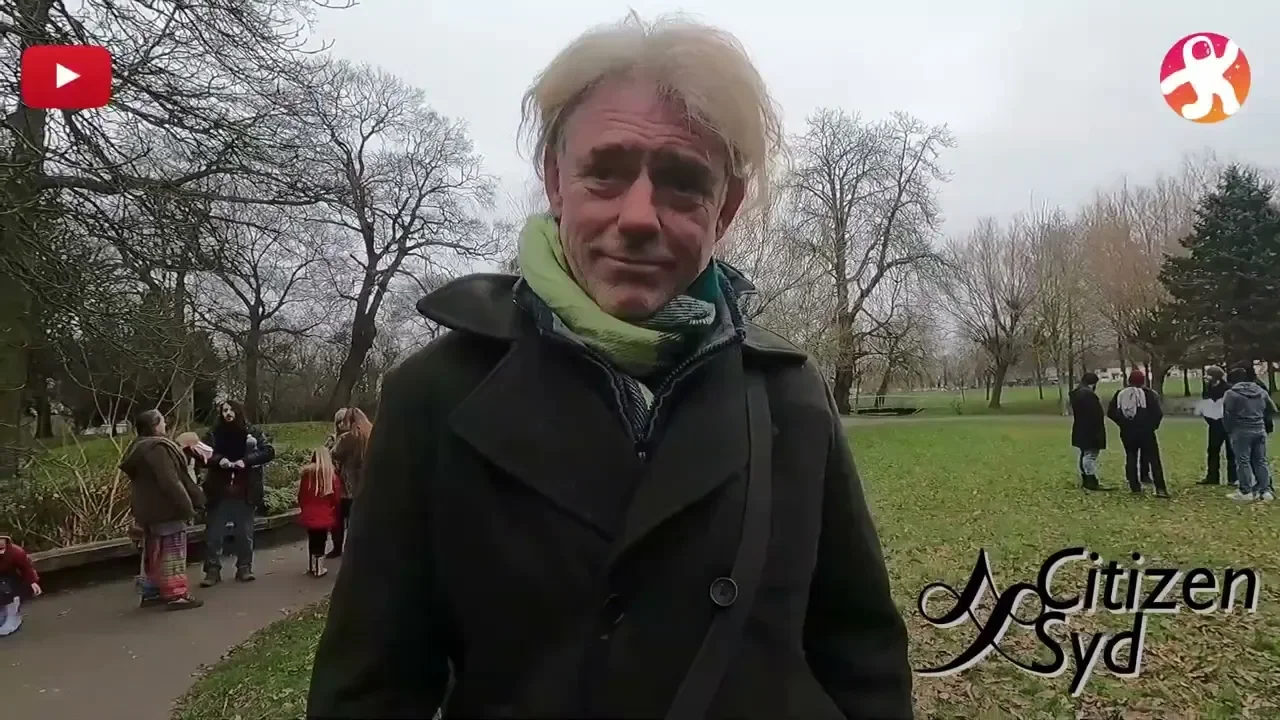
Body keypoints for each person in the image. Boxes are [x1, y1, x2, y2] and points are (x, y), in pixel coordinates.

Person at [308, 14, 911, 720]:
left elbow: (862, 657)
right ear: (555, 179)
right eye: (606, 172)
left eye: (683, 182)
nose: (639, 216)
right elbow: (369, 690)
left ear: (726, 208)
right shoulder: (437, 395)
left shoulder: (789, 395)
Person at [118, 410, 207, 610]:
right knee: (173, 552)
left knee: (154, 553)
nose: (165, 425)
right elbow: (170, 481)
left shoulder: (138, 447)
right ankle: (176, 595)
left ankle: (152, 592)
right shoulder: (157, 448)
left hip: (148, 510)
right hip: (167, 510)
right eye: (162, 422)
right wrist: (187, 507)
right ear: (154, 425)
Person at [200, 399, 275, 586]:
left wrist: (246, 461)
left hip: (245, 491)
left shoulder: (252, 432)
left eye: (231, 409)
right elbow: (203, 454)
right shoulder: (213, 434)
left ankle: (244, 567)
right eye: (224, 410)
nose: (228, 413)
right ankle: (212, 570)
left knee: (245, 533)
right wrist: (219, 460)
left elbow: (268, 451)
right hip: (219, 491)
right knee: (214, 534)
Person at [1107, 369, 1169, 498]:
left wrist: (1122, 423)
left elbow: (1111, 412)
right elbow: (1157, 413)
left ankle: (1134, 485)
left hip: (1127, 432)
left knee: (1131, 457)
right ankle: (1160, 488)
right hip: (1146, 431)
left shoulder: (1120, 394)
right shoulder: (1148, 394)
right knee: (1154, 459)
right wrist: (1152, 426)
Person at [1222, 366, 1277, 503]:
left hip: (1241, 430)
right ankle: (1265, 491)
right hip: (1259, 429)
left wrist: (1229, 429)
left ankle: (1245, 491)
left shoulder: (1231, 394)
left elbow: (1227, 413)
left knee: (1243, 461)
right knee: (1261, 461)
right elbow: (1272, 409)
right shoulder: (1260, 391)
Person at [327, 407, 371, 559]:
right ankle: (359, 549)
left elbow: (334, 454)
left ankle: (338, 548)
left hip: (346, 485)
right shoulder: (369, 435)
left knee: (339, 518)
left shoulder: (347, 438)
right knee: (358, 520)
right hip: (364, 484)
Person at [298, 447, 344, 577]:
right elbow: (336, 498)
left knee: (312, 539)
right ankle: (319, 568)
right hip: (324, 513)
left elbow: (301, 495)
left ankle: (311, 566)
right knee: (321, 540)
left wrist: (304, 508)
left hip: (309, 513)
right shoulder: (331, 476)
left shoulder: (306, 475)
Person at [1069, 372, 1110, 491]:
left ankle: (1086, 478)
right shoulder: (1088, 395)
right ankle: (1091, 480)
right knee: (1090, 455)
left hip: (1081, 428)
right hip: (1090, 429)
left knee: (1085, 454)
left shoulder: (1077, 394)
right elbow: (1094, 414)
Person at [1199, 366, 1238, 486]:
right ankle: (1212, 477)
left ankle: (1233, 478)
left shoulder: (1228, 389)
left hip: (1229, 425)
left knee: (1231, 452)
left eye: (1209, 375)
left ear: (1215, 377)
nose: (1206, 378)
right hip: (1215, 425)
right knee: (1212, 450)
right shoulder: (1208, 389)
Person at [0, 534, 41, 636]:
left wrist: (33, 581)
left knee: (8, 592)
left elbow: (27, 567)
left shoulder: (15, 552)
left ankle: (13, 616)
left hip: (12, 580)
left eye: (2, 539)